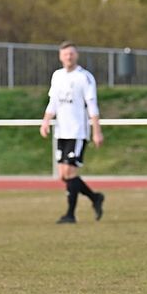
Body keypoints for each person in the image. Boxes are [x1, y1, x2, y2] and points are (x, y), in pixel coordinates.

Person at [40, 41, 105, 224]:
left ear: (76, 55)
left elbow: (92, 105)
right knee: (63, 174)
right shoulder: (57, 76)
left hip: (77, 132)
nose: (68, 56)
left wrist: (96, 131)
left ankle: (70, 214)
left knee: (69, 172)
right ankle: (95, 197)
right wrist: (45, 121)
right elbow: (53, 102)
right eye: (65, 54)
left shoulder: (84, 77)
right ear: (60, 56)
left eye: (71, 53)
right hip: (61, 132)